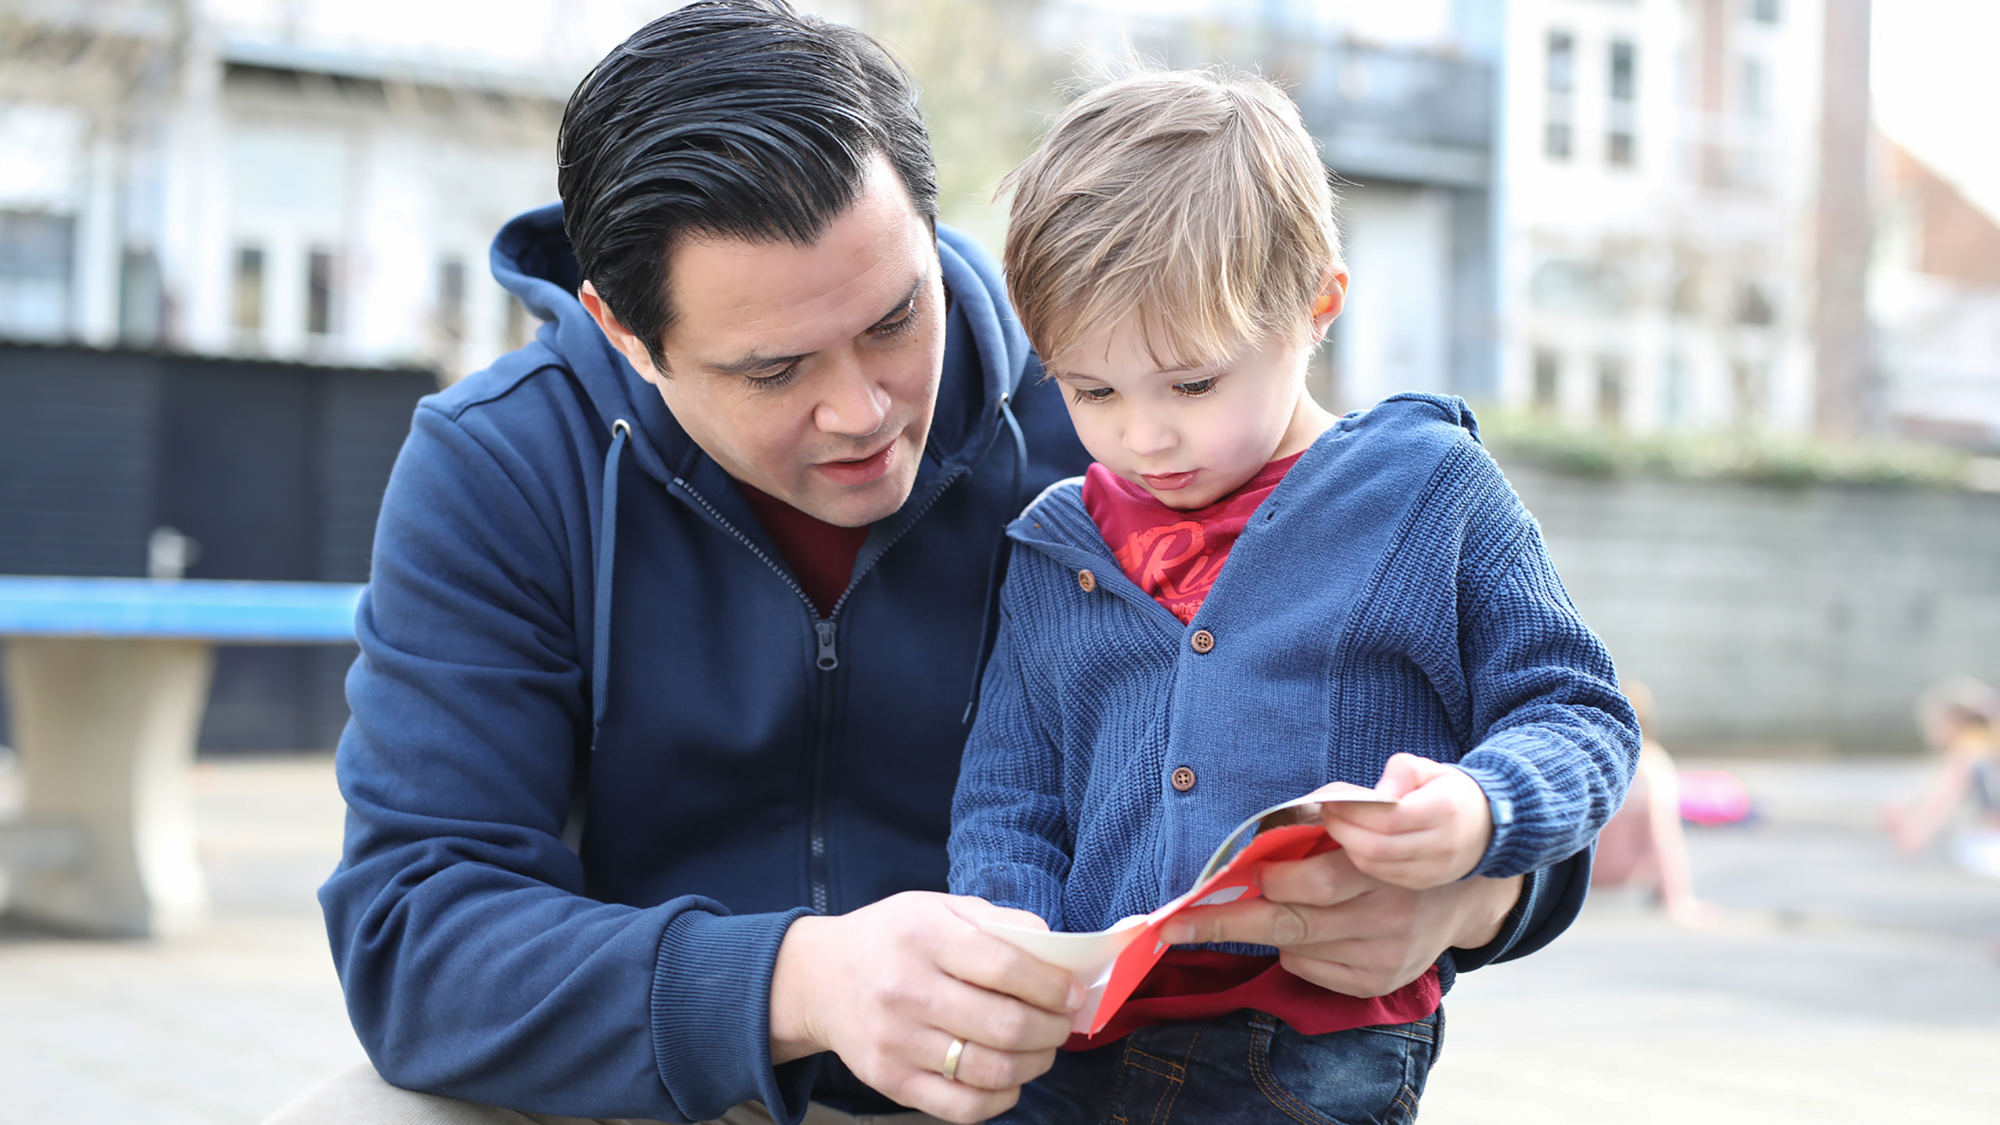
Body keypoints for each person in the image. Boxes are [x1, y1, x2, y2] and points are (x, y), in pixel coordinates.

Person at [267, 7, 1607, 1124]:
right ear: (627, 335)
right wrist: (797, 980)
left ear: (923, 212)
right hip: (665, 1071)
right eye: (774, 370)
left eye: (893, 316)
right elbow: (413, 936)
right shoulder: (503, 468)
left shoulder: (1103, 412)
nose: (862, 410)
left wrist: (1475, 898)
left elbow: (1495, 721)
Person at [946, 68, 1640, 1124]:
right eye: (1089, 391)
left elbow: (1576, 712)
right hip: (1073, 1059)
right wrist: (1014, 945)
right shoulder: (1056, 548)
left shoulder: (1424, 492)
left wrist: (1479, 809)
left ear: (1317, 305)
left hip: (1315, 1055)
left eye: (1191, 383)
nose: (1143, 437)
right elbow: (1009, 799)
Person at [1590, 681, 1718, 926]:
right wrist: (1678, 899)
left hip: (1585, 876)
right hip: (1626, 876)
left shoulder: (1589, 756)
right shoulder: (1650, 765)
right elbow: (1662, 836)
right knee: (1660, 816)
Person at [1885, 676, 2000, 877]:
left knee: (1963, 848)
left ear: (1955, 721)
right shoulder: (1985, 745)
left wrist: (1916, 829)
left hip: (1991, 847)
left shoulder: (1972, 748)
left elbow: (1945, 795)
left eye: (1936, 724)